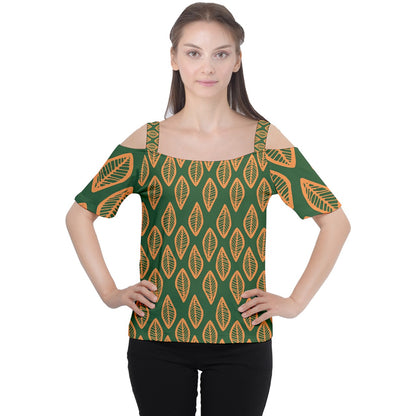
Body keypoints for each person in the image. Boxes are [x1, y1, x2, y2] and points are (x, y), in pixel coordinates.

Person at [65, 2, 351, 415]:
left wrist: (295, 301)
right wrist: (110, 293)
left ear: (237, 60)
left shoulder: (265, 142)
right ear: (174, 59)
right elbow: (80, 214)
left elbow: (335, 222)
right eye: (194, 53)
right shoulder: (147, 143)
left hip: (242, 336)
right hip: (158, 334)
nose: (207, 67)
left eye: (220, 53)